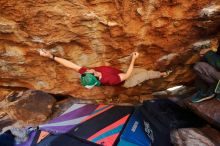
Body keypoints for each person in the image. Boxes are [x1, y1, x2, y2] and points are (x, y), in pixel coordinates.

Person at [39, 49, 170, 89]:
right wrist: (133, 59)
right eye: (90, 71)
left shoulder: (87, 75)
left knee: (142, 71)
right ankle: (162, 74)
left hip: (121, 73)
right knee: (145, 75)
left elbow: (70, 65)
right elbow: (128, 75)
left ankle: (153, 74)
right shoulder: (110, 80)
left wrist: (51, 56)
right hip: (127, 80)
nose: (88, 69)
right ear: (96, 76)